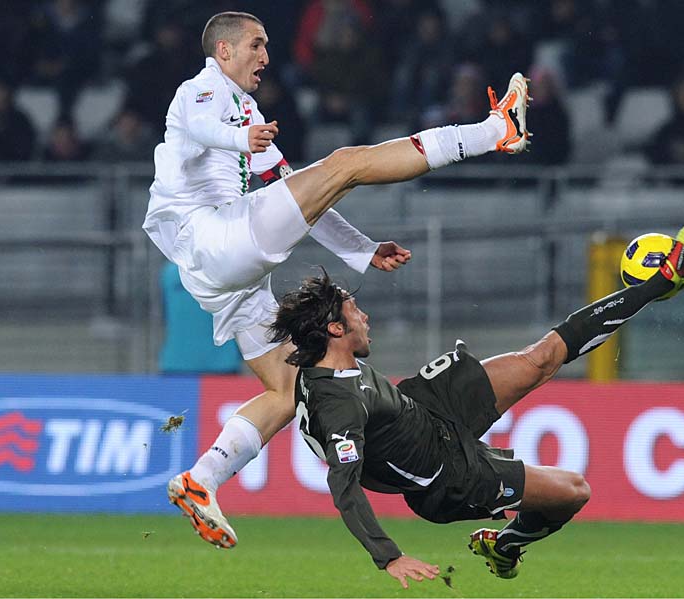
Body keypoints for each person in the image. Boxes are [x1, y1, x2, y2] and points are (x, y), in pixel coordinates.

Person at [148, 11, 531, 548]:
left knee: (287, 391)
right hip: (213, 236)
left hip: (221, 274)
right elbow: (200, 129)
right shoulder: (203, 89)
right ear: (225, 51)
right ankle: (494, 131)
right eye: (256, 45)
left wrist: (362, 248)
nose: (265, 56)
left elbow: (298, 190)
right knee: (347, 162)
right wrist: (243, 141)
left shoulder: (247, 110)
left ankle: (201, 479)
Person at [269, 225, 684, 587]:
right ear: (334, 329)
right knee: (574, 491)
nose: (365, 317)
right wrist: (388, 556)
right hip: (446, 473)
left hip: (426, 405)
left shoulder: (325, 366)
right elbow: (345, 487)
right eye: (355, 311)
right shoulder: (338, 404)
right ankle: (506, 545)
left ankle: (656, 284)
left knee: (542, 357)